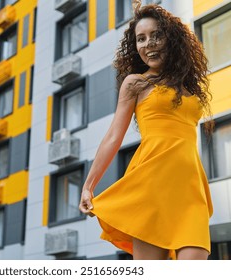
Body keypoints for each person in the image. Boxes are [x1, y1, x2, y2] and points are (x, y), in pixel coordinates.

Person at [79, 1, 214, 260]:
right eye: (141, 39)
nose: (148, 44)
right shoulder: (136, 83)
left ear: (171, 40)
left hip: (189, 187)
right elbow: (113, 136)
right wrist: (89, 185)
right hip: (150, 186)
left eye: (156, 35)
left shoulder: (190, 87)